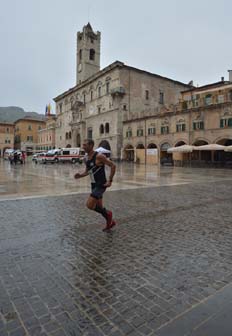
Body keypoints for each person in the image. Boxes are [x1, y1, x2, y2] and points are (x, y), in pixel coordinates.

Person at [74, 139, 116, 231]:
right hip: (93, 184)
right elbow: (88, 172)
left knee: (89, 205)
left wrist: (110, 181)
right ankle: (110, 222)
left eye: (85, 145)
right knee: (99, 207)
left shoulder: (99, 156)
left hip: (101, 185)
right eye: (83, 145)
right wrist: (80, 175)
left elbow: (113, 166)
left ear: (91, 145)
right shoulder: (86, 158)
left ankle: (109, 214)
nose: (83, 147)